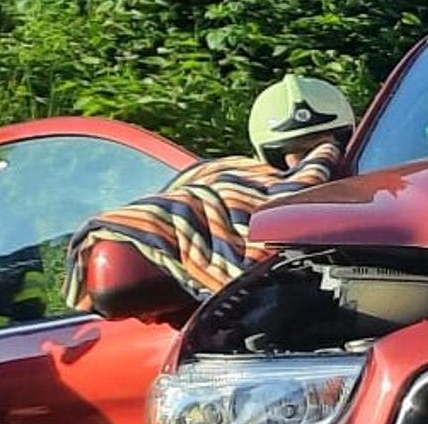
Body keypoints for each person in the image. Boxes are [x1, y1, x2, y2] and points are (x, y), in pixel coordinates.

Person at [73, 75, 354, 317]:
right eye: (296, 154)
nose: (316, 165)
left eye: (328, 150)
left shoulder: (388, 188)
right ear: (266, 158)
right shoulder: (228, 184)